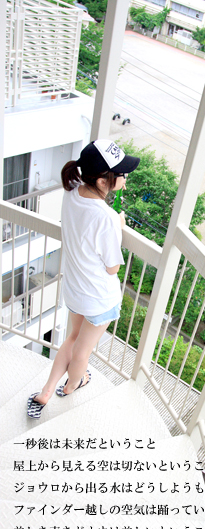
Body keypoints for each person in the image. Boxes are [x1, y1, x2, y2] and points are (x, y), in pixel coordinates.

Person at [27, 140, 140, 418]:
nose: (125, 178)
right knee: (82, 352)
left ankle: (46, 391)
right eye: (121, 173)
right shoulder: (106, 218)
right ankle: (72, 385)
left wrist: (113, 222)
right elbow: (112, 268)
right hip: (98, 298)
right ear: (103, 180)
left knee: (72, 339)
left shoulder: (72, 191)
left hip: (75, 290)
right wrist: (118, 226)